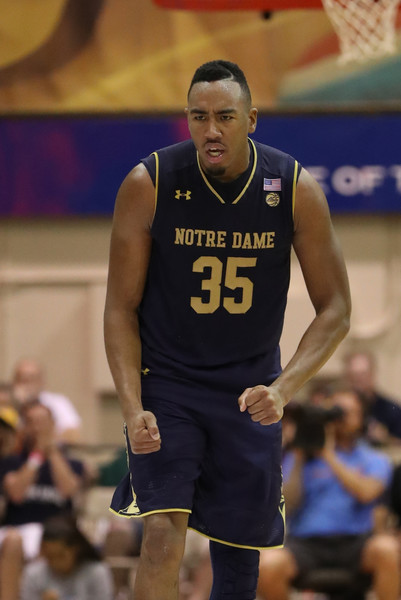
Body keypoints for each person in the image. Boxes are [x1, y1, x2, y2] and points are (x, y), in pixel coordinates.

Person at [103, 59, 351, 600]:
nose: (211, 130)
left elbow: (335, 308)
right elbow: (120, 308)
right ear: (187, 119)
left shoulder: (292, 188)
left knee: (239, 563)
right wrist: (131, 406)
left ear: (252, 120)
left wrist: (284, 389)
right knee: (162, 538)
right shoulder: (150, 183)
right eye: (198, 116)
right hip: (168, 384)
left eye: (224, 116)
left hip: (250, 389)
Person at [257, 386, 400, 600]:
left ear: (362, 419)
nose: (340, 418)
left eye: (348, 412)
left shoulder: (374, 459)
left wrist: (328, 454)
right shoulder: (303, 457)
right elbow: (288, 502)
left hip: (357, 542)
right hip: (307, 543)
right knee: (267, 564)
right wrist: (298, 454)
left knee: (387, 549)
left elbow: (367, 493)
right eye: (336, 411)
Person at [0, 401, 85, 600]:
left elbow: (68, 490)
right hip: (16, 530)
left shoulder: (73, 463)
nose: (38, 427)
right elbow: (16, 493)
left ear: (53, 424)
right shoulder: (11, 462)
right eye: (32, 421)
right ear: (24, 426)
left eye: (43, 421)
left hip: (55, 529)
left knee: (47, 540)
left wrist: (52, 451)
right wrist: (37, 454)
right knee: (13, 541)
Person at [20, 514, 114, 600]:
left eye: (60, 556)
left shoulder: (97, 573)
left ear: (76, 549)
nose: (55, 562)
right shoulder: (33, 575)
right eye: (50, 557)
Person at [12, 358, 82, 443]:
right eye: (23, 379)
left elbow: (73, 434)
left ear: (41, 381)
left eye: (32, 378)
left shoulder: (58, 402)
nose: (28, 384)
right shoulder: (9, 406)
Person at [343, 350, 401, 445]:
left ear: (372, 374)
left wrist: (385, 438)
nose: (358, 380)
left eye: (363, 374)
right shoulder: (339, 408)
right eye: (353, 375)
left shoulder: (391, 409)